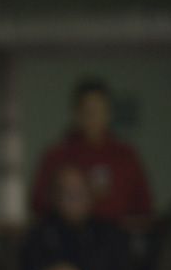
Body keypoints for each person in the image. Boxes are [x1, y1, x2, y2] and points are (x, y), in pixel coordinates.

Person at [29, 78, 152, 227]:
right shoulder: (56, 156)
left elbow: (144, 206)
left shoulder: (125, 156)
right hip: (66, 240)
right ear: (77, 114)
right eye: (88, 111)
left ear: (109, 113)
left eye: (100, 110)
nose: (94, 118)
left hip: (117, 241)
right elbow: (39, 205)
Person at [20, 165, 134, 270]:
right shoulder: (39, 235)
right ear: (55, 198)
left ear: (91, 196)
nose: (75, 200)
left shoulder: (110, 233)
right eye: (68, 194)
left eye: (81, 193)